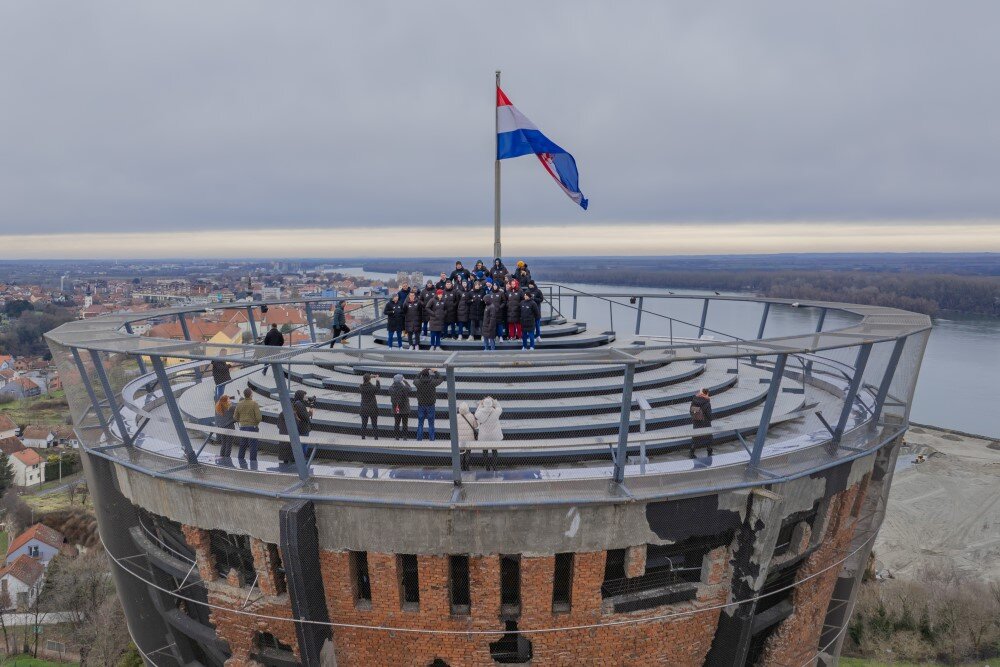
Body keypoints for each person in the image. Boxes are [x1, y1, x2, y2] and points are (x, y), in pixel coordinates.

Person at [278, 389, 313, 462]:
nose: (305, 398)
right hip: (303, 428)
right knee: (303, 444)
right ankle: (302, 460)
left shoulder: (295, 405)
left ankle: (298, 459)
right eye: (304, 396)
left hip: (291, 432)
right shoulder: (299, 404)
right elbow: (304, 416)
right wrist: (310, 413)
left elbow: (278, 424)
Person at [234, 388, 262, 467]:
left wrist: (242, 421)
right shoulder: (254, 404)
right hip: (252, 427)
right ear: (250, 394)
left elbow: (235, 417)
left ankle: (241, 463)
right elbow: (259, 418)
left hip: (243, 427)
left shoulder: (239, 404)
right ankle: (253, 464)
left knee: (242, 445)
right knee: (253, 446)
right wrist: (255, 423)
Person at [414, 368, 444, 441]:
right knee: (431, 424)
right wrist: (435, 371)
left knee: (420, 423)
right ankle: (432, 439)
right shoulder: (432, 382)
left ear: (422, 375)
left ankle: (419, 439)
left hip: (421, 405)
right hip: (430, 405)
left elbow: (415, 379)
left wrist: (421, 372)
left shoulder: (418, 382)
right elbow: (441, 379)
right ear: (428, 375)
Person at [476, 396, 503, 468]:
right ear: (491, 404)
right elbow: (499, 407)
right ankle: (494, 466)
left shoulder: (480, 413)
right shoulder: (496, 412)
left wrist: (481, 404)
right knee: (494, 451)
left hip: (484, 436)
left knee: (485, 451)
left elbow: (476, 413)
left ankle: (487, 467)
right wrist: (494, 401)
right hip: (494, 435)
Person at [689, 388, 713, 458]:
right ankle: (709, 452)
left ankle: (691, 452)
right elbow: (709, 415)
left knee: (696, 438)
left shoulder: (694, 401)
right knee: (708, 438)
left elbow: (690, 411)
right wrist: (710, 419)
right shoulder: (707, 403)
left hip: (696, 422)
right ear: (707, 393)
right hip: (705, 423)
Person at [214, 394, 237, 462]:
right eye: (228, 400)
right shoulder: (230, 408)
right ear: (226, 401)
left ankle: (222, 458)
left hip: (221, 428)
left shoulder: (218, 407)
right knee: (229, 445)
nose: (230, 401)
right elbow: (237, 410)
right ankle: (227, 459)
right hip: (229, 428)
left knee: (223, 444)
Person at [390, 374, 412, 439]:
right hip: (405, 408)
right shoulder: (404, 388)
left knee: (397, 423)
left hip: (396, 408)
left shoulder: (391, 388)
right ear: (401, 380)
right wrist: (405, 381)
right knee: (405, 423)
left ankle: (397, 436)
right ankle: (404, 436)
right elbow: (410, 389)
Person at [456, 401, 478, 466]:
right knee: (468, 452)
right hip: (469, 438)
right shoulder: (471, 415)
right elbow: (476, 425)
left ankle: (462, 467)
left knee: (461, 452)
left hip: (460, 438)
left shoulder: (456, 417)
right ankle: (467, 466)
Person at [359, 374, 381, 439]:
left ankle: (363, 437)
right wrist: (377, 380)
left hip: (364, 408)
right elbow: (378, 388)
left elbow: (362, 383)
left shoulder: (361, 387)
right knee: (374, 424)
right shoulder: (372, 388)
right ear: (369, 379)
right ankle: (376, 437)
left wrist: (368, 378)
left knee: (364, 424)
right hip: (372, 408)